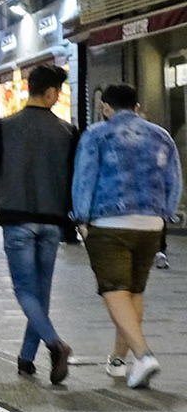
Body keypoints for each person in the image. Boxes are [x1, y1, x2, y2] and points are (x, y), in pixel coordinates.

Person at [73, 84, 182, 390]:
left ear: (106, 106)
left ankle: (143, 355)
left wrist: (80, 218)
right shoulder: (161, 135)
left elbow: (85, 178)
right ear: (137, 105)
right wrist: (166, 214)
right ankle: (118, 361)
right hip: (151, 223)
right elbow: (174, 179)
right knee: (133, 290)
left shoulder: (97, 134)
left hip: (109, 221)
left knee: (113, 290)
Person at [0, 64, 78, 384]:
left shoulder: (3, 128)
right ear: (49, 92)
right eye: (57, 91)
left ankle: (54, 344)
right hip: (51, 221)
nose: (58, 96)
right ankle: (26, 358)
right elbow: (74, 179)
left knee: (24, 290)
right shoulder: (67, 132)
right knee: (40, 291)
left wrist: (5, 192)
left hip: (16, 218)